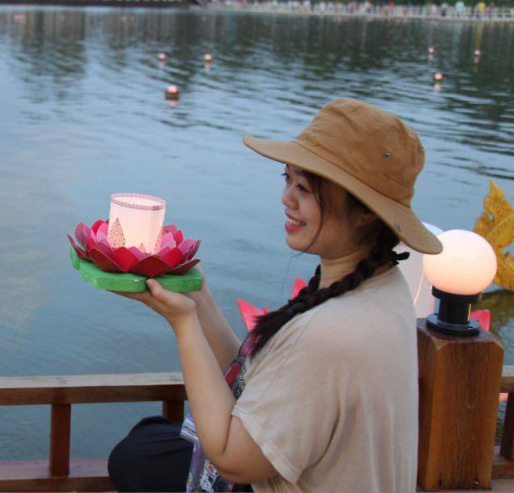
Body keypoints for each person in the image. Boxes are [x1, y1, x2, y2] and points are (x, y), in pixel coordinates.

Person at [107, 98, 442, 492]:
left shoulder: (328, 334)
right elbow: (252, 381)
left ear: (366, 212)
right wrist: (198, 299)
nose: (287, 198)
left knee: (138, 457)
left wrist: (183, 323)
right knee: (148, 440)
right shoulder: (384, 284)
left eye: (305, 188)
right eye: (288, 180)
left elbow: (232, 459)